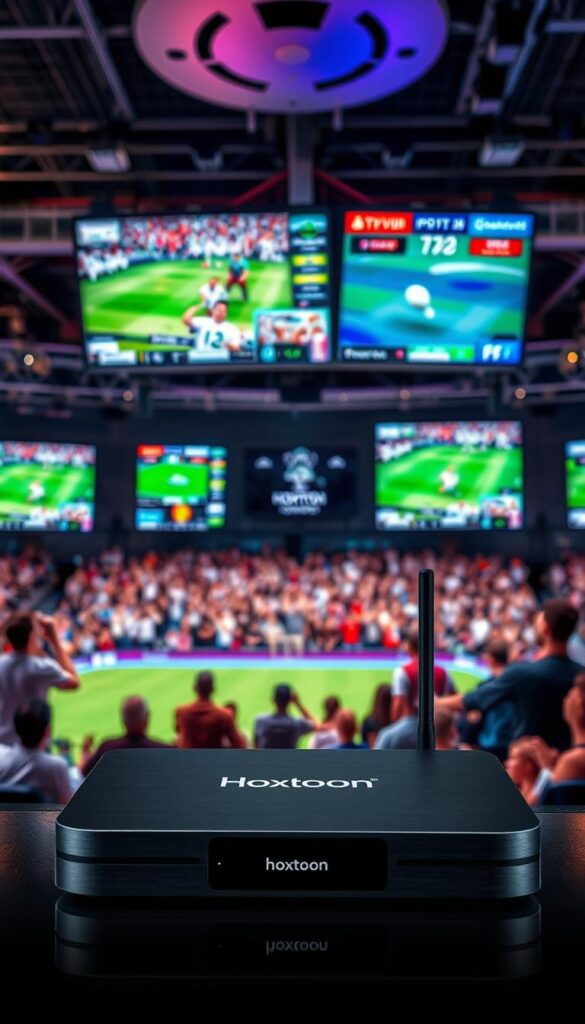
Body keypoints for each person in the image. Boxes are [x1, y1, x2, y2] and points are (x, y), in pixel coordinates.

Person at [437, 599, 581, 750]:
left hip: (527, 766)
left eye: (537, 621)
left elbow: (473, 699)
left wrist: (436, 703)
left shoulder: (523, 674)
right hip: (570, 765)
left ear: (546, 628)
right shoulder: (580, 675)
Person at [0, 612, 80, 747]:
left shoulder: (2, 663)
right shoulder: (41, 667)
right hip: (33, 744)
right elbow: (74, 682)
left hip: (3, 744)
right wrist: (54, 638)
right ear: (31, 636)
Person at [375, 631, 455, 750]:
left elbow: (398, 703)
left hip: (411, 725)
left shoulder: (402, 672)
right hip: (438, 728)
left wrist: (395, 727)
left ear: (410, 647)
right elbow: (454, 698)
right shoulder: (443, 672)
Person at [0, 699, 72, 804]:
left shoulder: (2, 760)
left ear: (16, 728)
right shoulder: (56, 767)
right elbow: (66, 807)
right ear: (48, 730)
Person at [79, 696, 171, 776]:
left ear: (123, 721)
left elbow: (85, 772)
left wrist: (85, 752)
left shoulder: (107, 748)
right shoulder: (165, 751)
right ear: (147, 718)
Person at [175, 671, 245, 749]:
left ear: (194, 688)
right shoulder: (224, 715)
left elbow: (179, 736)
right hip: (213, 760)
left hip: (188, 760)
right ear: (213, 689)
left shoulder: (181, 712)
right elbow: (239, 745)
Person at [254, 684, 318, 749]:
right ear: (290, 701)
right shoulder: (298, 723)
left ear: (274, 699)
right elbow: (316, 726)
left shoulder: (261, 721)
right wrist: (298, 703)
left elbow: (256, 746)